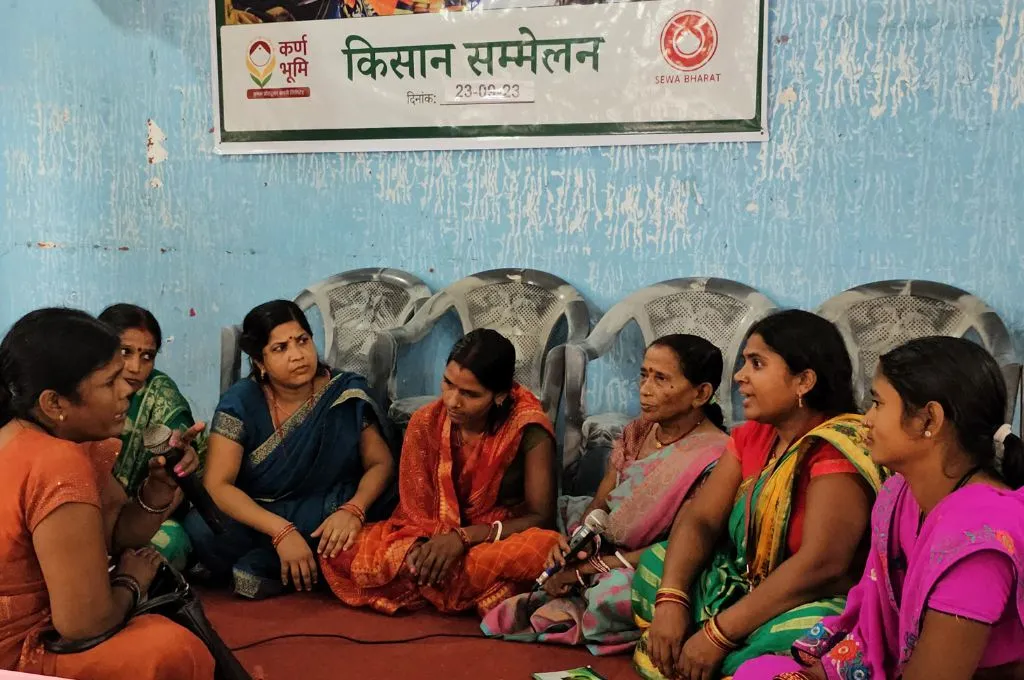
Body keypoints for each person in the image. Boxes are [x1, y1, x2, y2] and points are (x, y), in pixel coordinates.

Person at [734, 336, 1024, 680]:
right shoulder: (899, 493)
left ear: (928, 420)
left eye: (877, 403)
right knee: (759, 672)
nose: (866, 419)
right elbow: (873, 626)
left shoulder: (978, 541)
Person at [633, 310, 885, 680]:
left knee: (816, 629)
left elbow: (822, 564)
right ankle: (703, 658)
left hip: (806, 600)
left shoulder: (836, 447)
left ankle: (712, 660)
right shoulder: (754, 435)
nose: (739, 376)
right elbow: (700, 519)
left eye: (757, 363)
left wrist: (718, 634)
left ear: (804, 381)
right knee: (657, 564)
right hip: (743, 584)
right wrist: (672, 599)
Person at [482, 334, 731, 654]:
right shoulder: (640, 429)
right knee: (543, 539)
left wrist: (586, 570)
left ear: (701, 393)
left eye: (661, 379)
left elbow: (680, 545)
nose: (645, 388)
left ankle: (577, 604)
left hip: (656, 562)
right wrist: (576, 545)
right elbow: (600, 503)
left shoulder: (715, 457)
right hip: (608, 543)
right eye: (643, 375)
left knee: (614, 593)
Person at [0, 308, 213, 679]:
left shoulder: (35, 436)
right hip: (18, 653)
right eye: (110, 381)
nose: (128, 389)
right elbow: (83, 625)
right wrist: (131, 581)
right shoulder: (56, 462)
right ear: (54, 404)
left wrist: (159, 486)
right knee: (174, 652)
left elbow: (115, 534)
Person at [321, 328, 561, 616]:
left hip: (495, 538)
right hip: (433, 535)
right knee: (339, 550)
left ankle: (435, 579)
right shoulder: (425, 422)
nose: (452, 401)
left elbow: (541, 518)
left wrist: (463, 539)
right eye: (448, 384)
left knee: (543, 548)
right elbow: (415, 512)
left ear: (499, 396)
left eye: (470, 394)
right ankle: (446, 577)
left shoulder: (528, 428)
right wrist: (432, 547)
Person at [184, 300, 396, 599]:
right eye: (280, 348)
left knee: (380, 505)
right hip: (263, 512)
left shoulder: (343, 392)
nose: (297, 355)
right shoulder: (241, 402)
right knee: (202, 526)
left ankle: (278, 565)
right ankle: (299, 563)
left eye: (302, 341)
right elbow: (218, 485)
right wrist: (281, 531)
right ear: (260, 362)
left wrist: (354, 509)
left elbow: (380, 463)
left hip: (325, 509)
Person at [97, 303, 204, 570]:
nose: (135, 367)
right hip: (81, 514)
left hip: (145, 515)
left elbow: (176, 481)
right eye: (125, 352)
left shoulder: (160, 395)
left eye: (147, 356)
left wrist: (135, 531)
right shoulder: (81, 392)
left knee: (170, 542)